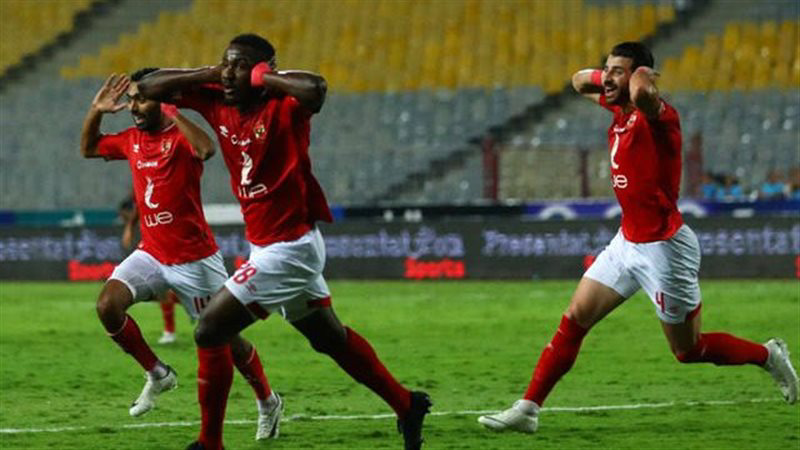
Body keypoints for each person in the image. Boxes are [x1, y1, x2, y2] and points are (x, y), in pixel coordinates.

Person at [478, 42, 799, 435]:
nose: (608, 78)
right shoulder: (618, 108)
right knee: (575, 318)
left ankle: (767, 355)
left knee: (688, 350)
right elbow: (578, 81)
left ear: (638, 77)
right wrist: (612, 77)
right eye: (608, 69)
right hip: (626, 242)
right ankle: (528, 408)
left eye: (619, 71)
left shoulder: (660, 119)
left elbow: (645, 92)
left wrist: (640, 76)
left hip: (665, 249)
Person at [137, 33, 432, 450]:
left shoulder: (284, 105)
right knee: (329, 339)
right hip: (269, 245)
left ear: (262, 71)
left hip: (290, 248)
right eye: (226, 63)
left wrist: (264, 78)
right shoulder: (217, 98)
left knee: (210, 329)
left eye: (240, 65)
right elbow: (149, 86)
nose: (229, 73)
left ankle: (209, 443)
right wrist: (211, 72)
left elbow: (317, 89)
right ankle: (407, 404)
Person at [80, 69, 282, 441]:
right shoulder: (132, 140)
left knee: (226, 341)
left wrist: (174, 111)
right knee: (108, 305)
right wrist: (96, 110)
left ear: (162, 101)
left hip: (195, 261)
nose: (134, 107)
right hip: (152, 253)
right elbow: (89, 148)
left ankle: (268, 400)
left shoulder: (180, 136)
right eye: (132, 99)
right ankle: (157, 373)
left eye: (143, 98)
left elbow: (206, 149)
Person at [118, 192, 180, 345]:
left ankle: (204, 307)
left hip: (172, 242)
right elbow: (140, 204)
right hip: (156, 244)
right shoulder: (141, 190)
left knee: (171, 290)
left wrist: (129, 226)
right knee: (163, 290)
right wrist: (130, 227)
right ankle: (170, 331)